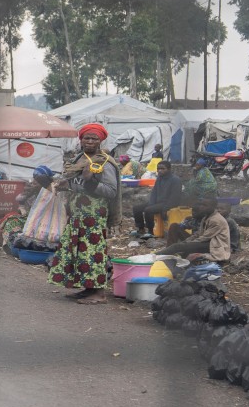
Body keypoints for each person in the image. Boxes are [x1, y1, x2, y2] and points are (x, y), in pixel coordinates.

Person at [47, 123, 119, 304]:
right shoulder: (79, 159)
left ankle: (99, 293)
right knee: (80, 251)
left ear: (101, 140)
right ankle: (88, 289)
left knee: (93, 251)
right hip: (78, 213)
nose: (90, 141)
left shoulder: (104, 162)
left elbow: (111, 191)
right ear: (80, 139)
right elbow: (75, 182)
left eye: (94, 138)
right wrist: (67, 185)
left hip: (94, 215)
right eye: (86, 138)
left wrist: (91, 182)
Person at [160, 197, 231, 262]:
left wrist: (186, 244)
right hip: (206, 243)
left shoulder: (216, 220)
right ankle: (166, 254)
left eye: (205, 205)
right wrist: (186, 242)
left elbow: (204, 237)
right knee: (180, 246)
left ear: (213, 207)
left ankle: (157, 256)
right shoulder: (206, 217)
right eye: (201, 205)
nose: (201, 207)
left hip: (214, 245)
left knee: (178, 247)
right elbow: (198, 233)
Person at [131, 161, 183, 239]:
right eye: (158, 169)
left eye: (163, 169)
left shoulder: (175, 180)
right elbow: (154, 192)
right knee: (137, 208)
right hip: (157, 202)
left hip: (167, 203)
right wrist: (151, 203)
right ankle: (141, 229)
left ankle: (150, 231)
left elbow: (174, 197)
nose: (160, 170)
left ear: (169, 169)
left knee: (149, 210)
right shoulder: (159, 178)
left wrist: (166, 208)